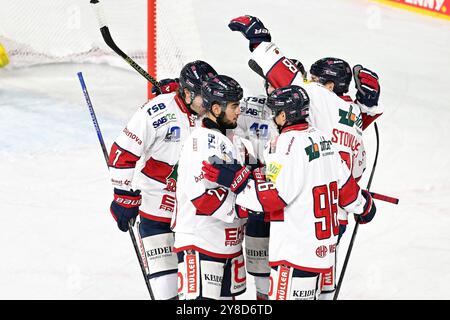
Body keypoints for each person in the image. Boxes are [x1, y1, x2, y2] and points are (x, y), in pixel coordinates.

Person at [228, 15, 382, 299]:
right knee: (320, 291)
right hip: (334, 222)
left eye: (316, 80)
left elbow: (288, 79)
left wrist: (260, 42)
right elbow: (350, 176)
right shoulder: (354, 118)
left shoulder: (319, 102)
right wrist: (363, 205)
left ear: (329, 87)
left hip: (302, 217)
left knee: (278, 286)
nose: (309, 84)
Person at [203, 85, 377, 300]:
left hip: (295, 252)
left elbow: (273, 198)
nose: (273, 117)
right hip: (322, 253)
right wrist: (365, 206)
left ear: (284, 115)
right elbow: (348, 192)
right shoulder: (324, 139)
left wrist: (234, 180)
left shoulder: (284, 144)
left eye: (276, 113)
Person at [108, 60, 217, 300]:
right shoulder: (156, 112)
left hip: (198, 223)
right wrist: (123, 195)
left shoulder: (213, 112)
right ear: (187, 93)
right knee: (167, 294)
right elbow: (121, 153)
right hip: (157, 216)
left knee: (201, 298)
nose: (210, 103)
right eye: (203, 96)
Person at [233, 58, 306, 300]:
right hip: (260, 196)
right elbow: (221, 123)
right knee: (261, 268)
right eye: (273, 84)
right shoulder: (250, 107)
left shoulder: (310, 116)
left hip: (293, 198)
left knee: (293, 268)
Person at [172, 74, 250, 300]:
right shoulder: (200, 142)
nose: (239, 111)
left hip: (229, 245)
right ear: (216, 109)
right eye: (234, 106)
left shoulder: (233, 140)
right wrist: (247, 206)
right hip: (201, 243)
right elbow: (203, 200)